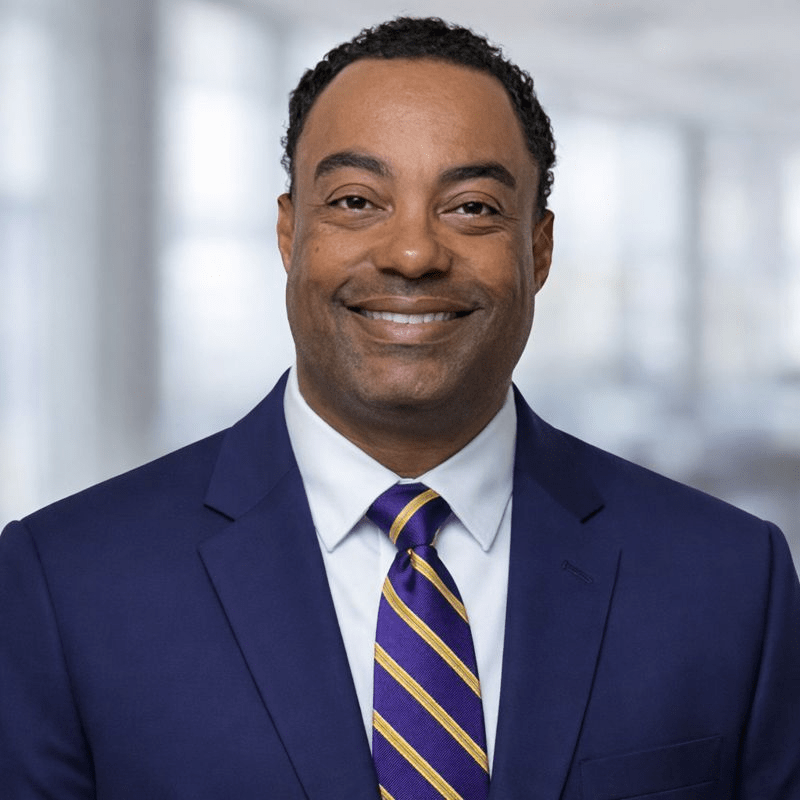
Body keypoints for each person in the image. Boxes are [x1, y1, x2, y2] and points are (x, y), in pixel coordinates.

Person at [1, 16, 798, 800]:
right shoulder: (65, 585)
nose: (413, 254)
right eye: (355, 200)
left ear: (539, 249)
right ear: (290, 234)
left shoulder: (731, 582)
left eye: (473, 207)